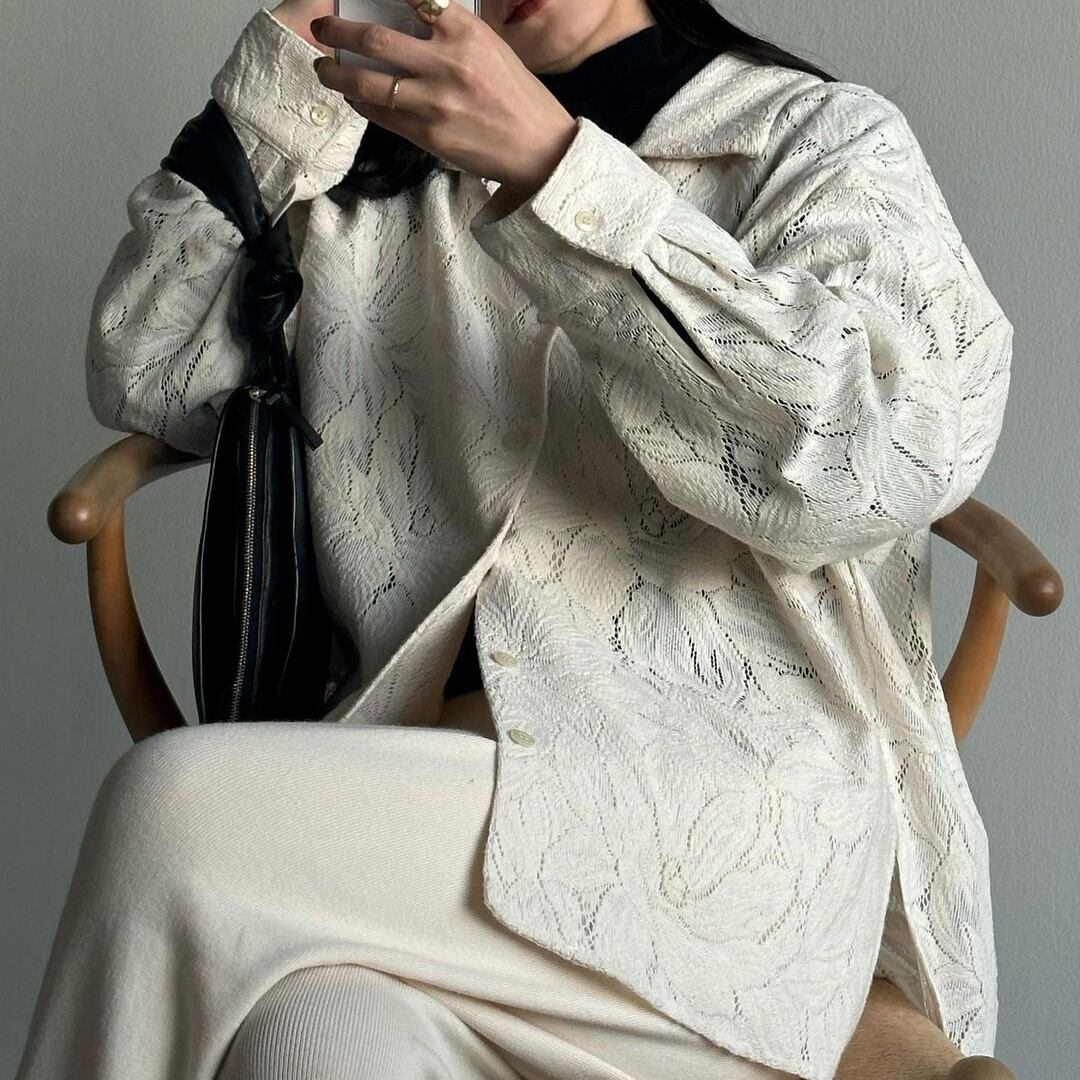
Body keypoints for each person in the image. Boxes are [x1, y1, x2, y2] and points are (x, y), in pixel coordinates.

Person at [15, 1, 1014, 1078]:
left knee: (173, 810)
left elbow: (878, 457)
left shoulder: (808, 140)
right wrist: (288, 73)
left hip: (721, 833)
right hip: (406, 828)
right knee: (307, 1039)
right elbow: (148, 370)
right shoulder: (369, 175)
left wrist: (557, 174)